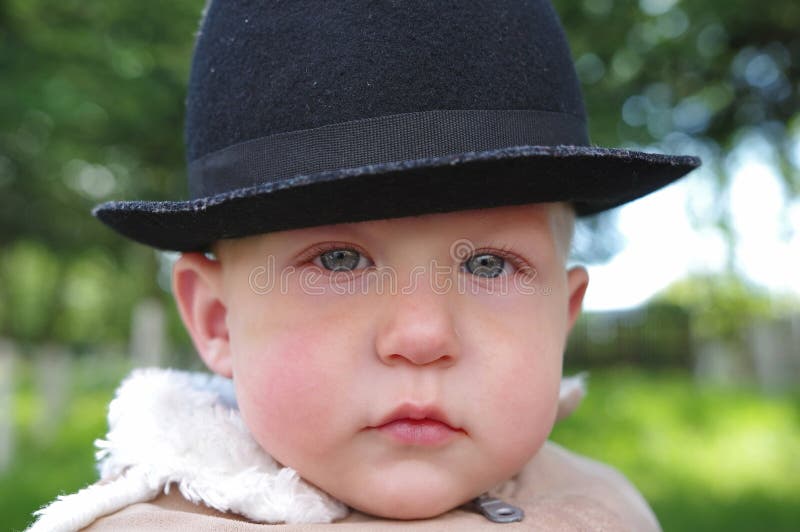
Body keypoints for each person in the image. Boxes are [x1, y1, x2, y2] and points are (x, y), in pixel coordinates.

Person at [27, 0, 701, 530]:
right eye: (340, 258)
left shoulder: (605, 508)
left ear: (564, 317)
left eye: (491, 266)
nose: (421, 337)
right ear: (219, 319)